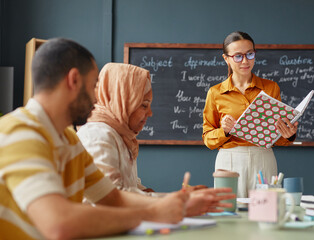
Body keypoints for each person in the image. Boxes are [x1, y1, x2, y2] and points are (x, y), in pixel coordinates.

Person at [0, 38, 192, 240]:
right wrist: (153, 214)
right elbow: (59, 225)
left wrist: (175, 203)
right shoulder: (20, 133)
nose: (97, 98)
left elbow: (113, 197)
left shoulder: (70, 140)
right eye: (94, 86)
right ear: (73, 80)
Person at [77, 63, 235, 216]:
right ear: (122, 101)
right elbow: (113, 197)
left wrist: (180, 197)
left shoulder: (120, 135)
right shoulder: (98, 135)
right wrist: (180, 202)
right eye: (144, 105)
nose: (150, 113)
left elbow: (133, 189)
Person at [202, 31, 298, 198]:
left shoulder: (270, 88)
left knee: (266, 212)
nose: (245, 61)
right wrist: (224, 130)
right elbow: (208, 140)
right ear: (226, 59)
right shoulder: (215, 92)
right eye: (238, 56)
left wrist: (289, 136)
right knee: (229, 213)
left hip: (263, 157)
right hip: (229, 160)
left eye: (250, 54)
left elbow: (277, 137)